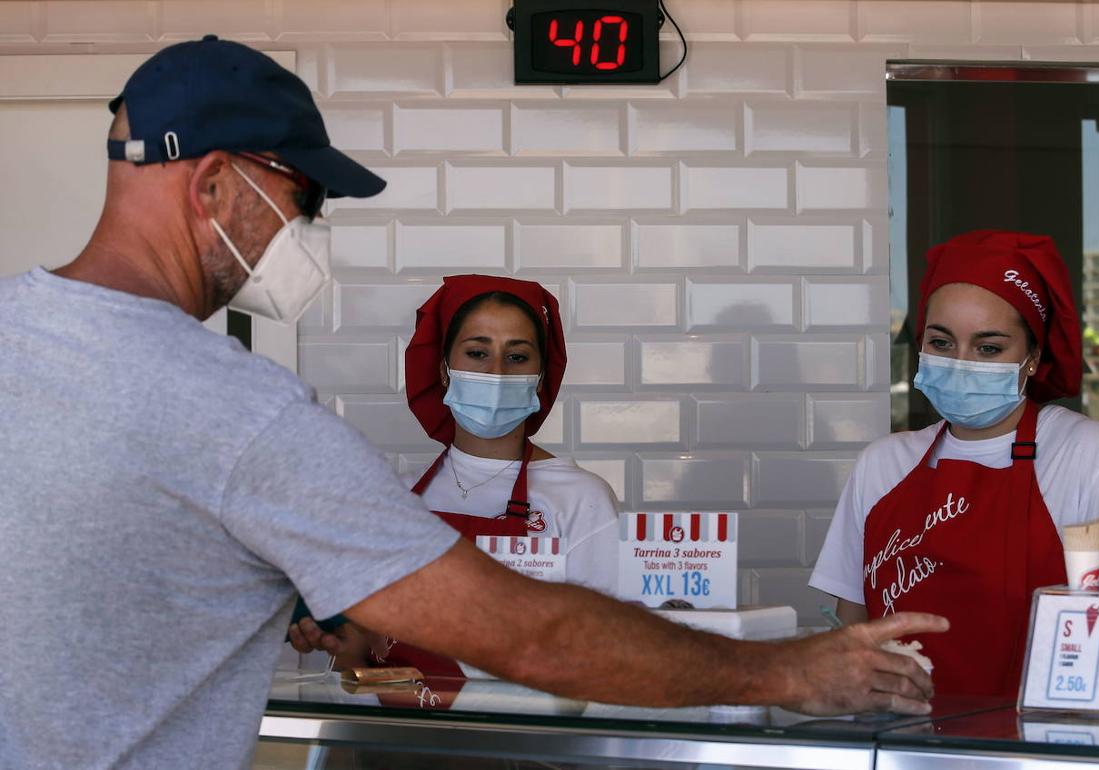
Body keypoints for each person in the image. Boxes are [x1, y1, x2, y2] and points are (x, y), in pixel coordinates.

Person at [0, 36, 944, 769]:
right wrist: (788, 670)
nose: (307, 228)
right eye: (302, 198)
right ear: (216, 184)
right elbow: (533, 635)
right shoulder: (241, 412)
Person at [810, 230, 1099, 699]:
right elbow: (850, 634)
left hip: (1038, 745)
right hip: (901, 742)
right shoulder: (883, 464)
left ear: (1032, 357)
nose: (961, 362)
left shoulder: (1089, 456)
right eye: (942, 342)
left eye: (989, 348)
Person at [301, 275, 620, 674]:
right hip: (396, 731)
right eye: (476, 353)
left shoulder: (581, 499)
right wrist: (335, 638)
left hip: (518, 731)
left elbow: (603, 653)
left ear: (540, 378)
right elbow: (357, 658)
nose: (496, 372)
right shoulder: (398, 499)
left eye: (517, 357)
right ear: (445, 370)